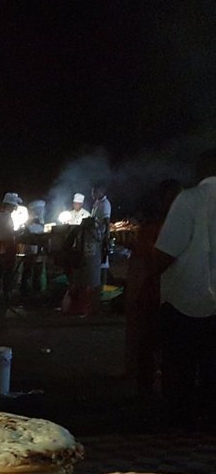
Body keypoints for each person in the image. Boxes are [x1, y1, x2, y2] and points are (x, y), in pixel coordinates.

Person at [152, 150, 216, 429]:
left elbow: (167, 251)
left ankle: (181, 424)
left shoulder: (190, 200)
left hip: (186, 300)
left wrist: (146, 282)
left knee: (181, 366)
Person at [125, 179, 182, 394]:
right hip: (156, 294)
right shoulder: (154, 228)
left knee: (165, 345)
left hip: (171, 295)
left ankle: (159, 386)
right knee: (151, 343)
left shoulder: (168, 226)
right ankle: (148, 387)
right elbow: (150, 261)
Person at [0, 193, 21, 311]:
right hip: (8, 246)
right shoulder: (7, 217)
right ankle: (6, 295)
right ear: (10, 206)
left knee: (0, 270)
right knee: (7, 271)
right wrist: (20, 231)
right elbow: (10, 233)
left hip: (0, 246)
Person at [91, 183, 112, 277]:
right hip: (95, 237)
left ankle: (103, 283)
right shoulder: (97, 203)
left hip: (101, 237)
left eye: (94, 192)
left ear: (100, 192)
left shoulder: (105, 204)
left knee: (103, 262)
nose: (92, 194)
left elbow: (107, 223)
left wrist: (106, 239)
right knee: (96, 262)